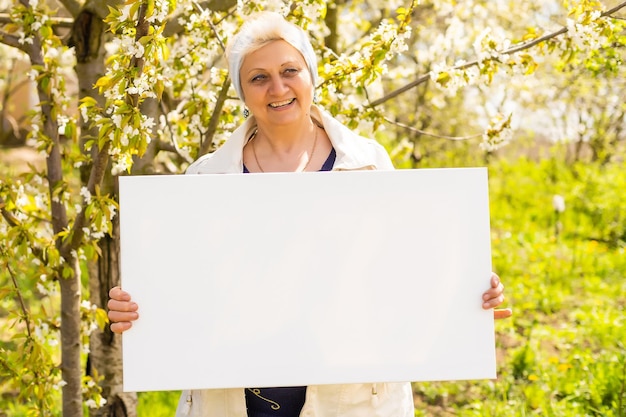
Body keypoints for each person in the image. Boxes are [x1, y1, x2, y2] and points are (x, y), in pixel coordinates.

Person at [107, 11, 513, 417]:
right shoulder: (205, 177)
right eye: (258, 77)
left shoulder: (368, 164)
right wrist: (139, 310)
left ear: (311, 77)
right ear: (242, 92)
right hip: (233, 401)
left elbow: (405, 270)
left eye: (289, 70)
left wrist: (466, 294)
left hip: (351, 401)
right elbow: (183, 286)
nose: (277, 87)